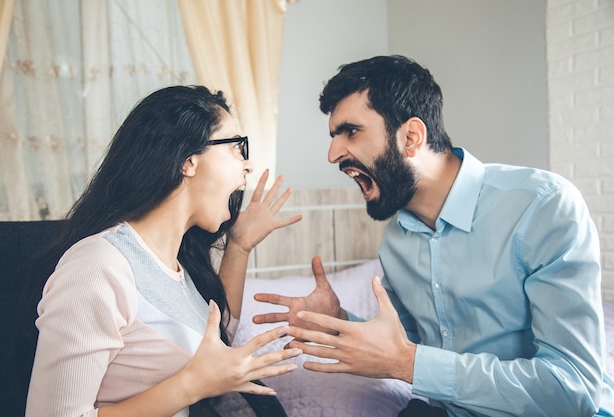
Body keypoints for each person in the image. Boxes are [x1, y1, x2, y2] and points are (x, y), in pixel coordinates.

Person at [252, 55, 614, 417]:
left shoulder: (541, 206)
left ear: (411, 137)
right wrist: (339, 320)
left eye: (351, 131)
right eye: (334, 136)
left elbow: (572, 390)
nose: (333, 154)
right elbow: (408, 344)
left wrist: (410, 365)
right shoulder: (396, 241)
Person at [23, 85, 303, 417]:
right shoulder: (98, 266)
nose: (248, 165)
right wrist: (192, 385)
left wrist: (239, 247)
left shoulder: (175, 264)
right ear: (188, 161)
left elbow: (211, 342)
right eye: (236, 149)